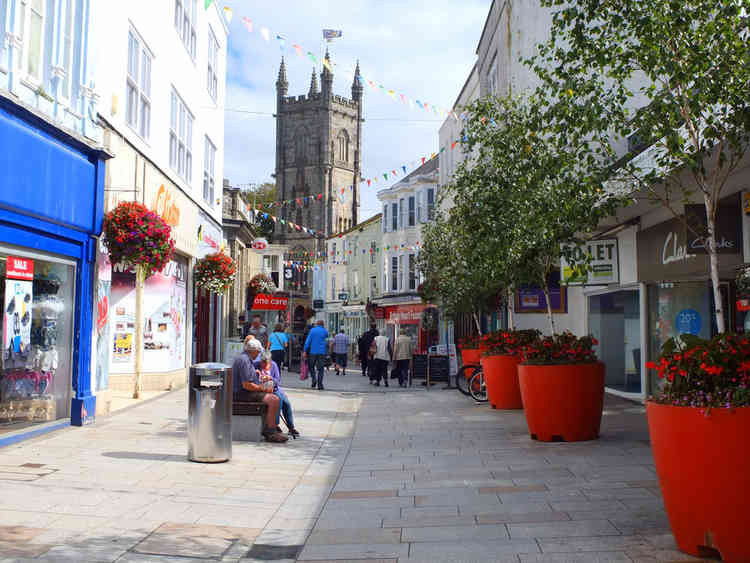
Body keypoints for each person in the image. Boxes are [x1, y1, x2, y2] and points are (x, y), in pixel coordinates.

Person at [231, 336, 288, 443]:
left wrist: (256, 375)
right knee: (274, 400)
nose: (258, 355)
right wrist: (262, 388)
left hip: (243, 391)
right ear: (253, 351)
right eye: (258, 352)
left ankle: (269, 428)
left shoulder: (244, 358)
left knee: (273, 397)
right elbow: (246, 385)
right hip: (242, 393)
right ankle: (271, 432)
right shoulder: (245, 360)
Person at [254, 351, 299, 438]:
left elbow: (277, 381)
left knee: (286, 403)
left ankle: (291, 426)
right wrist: (258, 376)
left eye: (266, 363)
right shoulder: (256, 365)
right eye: (262, 362)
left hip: (274, 388)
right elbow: (253, 379)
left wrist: (270, 378)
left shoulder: (274, 365)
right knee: (279, 400)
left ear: (270, 361)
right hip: (262, 389)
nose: (264, 365)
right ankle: (274, 424)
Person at [303, 319, 329, 390]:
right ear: (323, 324)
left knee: (311, 366)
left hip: (313, 352)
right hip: (321, 352)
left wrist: (305, 351)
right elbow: (327, 335)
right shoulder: (324, 331)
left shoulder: (312, 330)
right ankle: (320, 385)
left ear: (317, 324)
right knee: (321, 369)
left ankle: (314, 379)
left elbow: (308, 341)